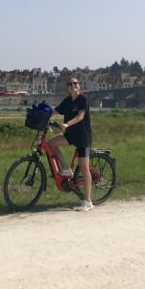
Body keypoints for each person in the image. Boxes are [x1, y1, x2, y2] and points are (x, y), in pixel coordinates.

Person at [48, 77, 94, 212]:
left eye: (75, 83)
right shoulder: (67, 101)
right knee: (51, 143)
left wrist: (67, 124)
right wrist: (41, 113)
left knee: (84, 168)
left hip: (82, 137)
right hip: (71, 135)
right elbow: (55, 111)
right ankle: (66, 168)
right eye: (70, 84)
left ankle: (88, 201)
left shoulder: (82, 99)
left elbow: (80, 116)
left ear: (79, 86)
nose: (73, 85)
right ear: (67, 88)